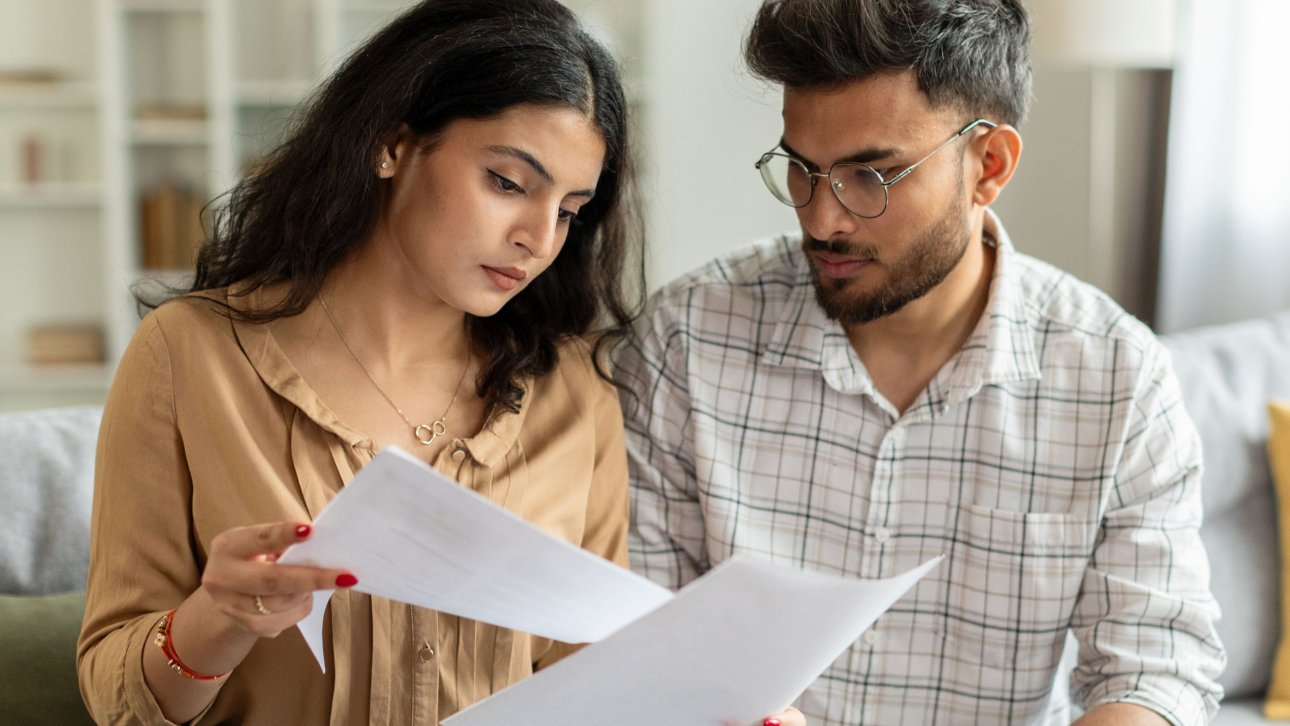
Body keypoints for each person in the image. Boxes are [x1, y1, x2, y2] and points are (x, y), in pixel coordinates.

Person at [78, 2, 806, 724]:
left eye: (568, 210)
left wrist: (714, 706)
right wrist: (220, 617)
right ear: (393, 143)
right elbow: (119, 701)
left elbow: (585, 683)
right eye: (509, 183)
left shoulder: (574, 391)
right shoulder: (189, 356)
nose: (537, 238)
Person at [617, 1, 1226, 724]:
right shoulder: (685, 342)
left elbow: (1155, 671)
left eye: (871, 176)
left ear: (988, 165)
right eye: (803, 170)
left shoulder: (1117, 377)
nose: (821, 218)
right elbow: (640, 637)